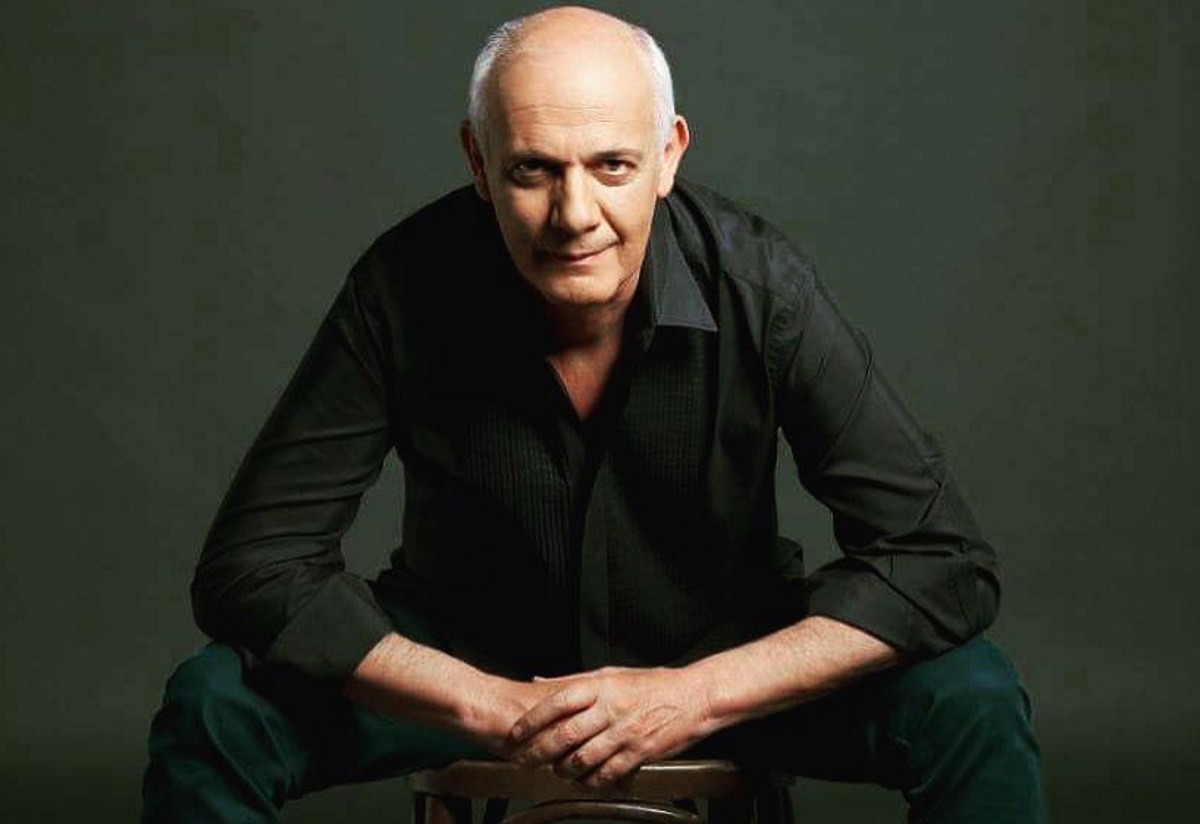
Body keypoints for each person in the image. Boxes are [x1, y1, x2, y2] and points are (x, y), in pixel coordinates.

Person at [141, 6, 1046, 823]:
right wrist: (494, 705)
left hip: (718, 652)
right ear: (478, 162)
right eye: (533, 170)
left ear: (669, 155)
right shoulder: (400, 286)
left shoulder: (761, 288)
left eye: (612, 165)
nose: (575, 215)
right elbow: (252, 568)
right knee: (215, 707)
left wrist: (696, 694)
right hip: (468, 660)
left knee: (971, 696)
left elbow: (943, 562)